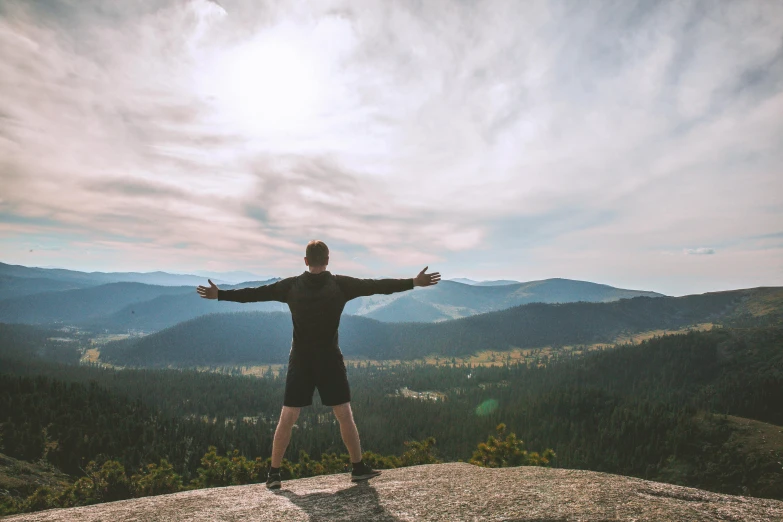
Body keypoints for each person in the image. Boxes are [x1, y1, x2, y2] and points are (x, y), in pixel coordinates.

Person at [196, 239, 440, 489]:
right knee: (344, 414)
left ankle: (274, 474)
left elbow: (256, 294)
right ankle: (357, 468)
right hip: (329, 359)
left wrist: (220, 295)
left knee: (288, 416)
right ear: (327, 260)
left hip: (300, 359)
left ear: (305, 261)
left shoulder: (291, 286)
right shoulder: (341, 285)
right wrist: (413, 282)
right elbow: (378, 286)